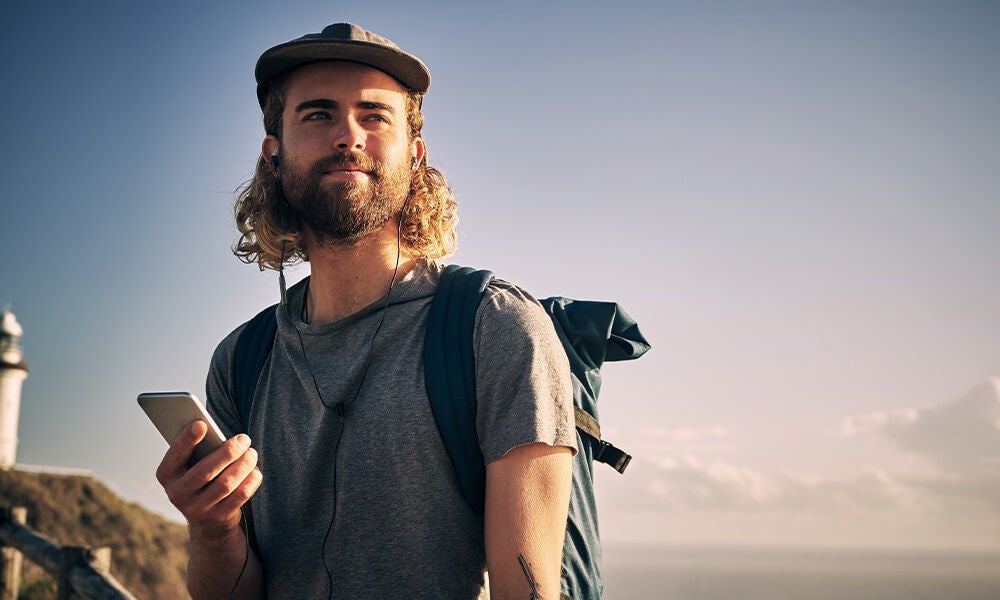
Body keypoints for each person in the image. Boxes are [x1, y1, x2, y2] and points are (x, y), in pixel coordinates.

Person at [155, 23, 577, 599]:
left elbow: (526, 591)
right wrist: (212, 528)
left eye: (375, 116)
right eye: (318, 115)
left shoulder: (496, 328)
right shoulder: (242, 359)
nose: (348, 136)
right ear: (273, 152)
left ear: (415, 154)